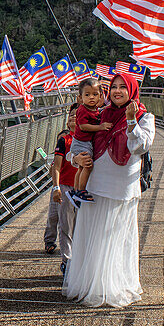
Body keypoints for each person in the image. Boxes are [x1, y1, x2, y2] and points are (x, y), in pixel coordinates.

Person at [62, 73, 154, 307]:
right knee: (92, 235)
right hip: (95, 185)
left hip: (122, 187)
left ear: (132, 91)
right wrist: (76, 159)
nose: (118, 91)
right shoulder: (101, 115)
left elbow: (139, 146)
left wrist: (131, 119)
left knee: (116, 238)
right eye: (114, 87)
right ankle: (88, 284)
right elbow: (77, 144)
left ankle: (112, 286)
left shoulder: (145, 117)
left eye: (124, 87)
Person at [44, 110, 78, 270]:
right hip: (65, 186)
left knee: (80, 224)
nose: (73, 117)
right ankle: (67, 262)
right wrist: (56, 187)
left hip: (84, 187)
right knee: (65, 224)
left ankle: (78, 259)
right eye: (71, 115)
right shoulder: (64, 141)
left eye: (77, 115)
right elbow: (56, 167)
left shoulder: (91, 139)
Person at [68, 77, 110, 202]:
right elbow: (83, 126)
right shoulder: (82, 110)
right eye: (87, 94)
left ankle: (75, 191)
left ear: (101, 96)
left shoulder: (94, 109)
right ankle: (81, 191)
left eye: (95, 94)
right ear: (80, 97)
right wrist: (100, 127)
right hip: (81, 143)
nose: (91, 97)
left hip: (83, 143)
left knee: (81, 168)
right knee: (87, 165)